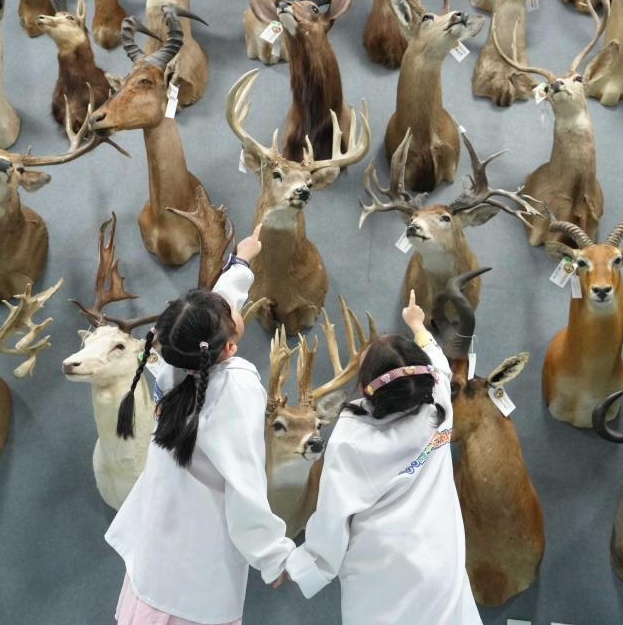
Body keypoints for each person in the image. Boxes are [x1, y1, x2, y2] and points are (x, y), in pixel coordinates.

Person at [105, 226, 293, 625]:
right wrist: (271, 555)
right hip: (193, 576)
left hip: (156, 549)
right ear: (230, 345)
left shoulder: (177, 359)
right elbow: (244, 483)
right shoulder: (236, 390)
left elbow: (211, 311)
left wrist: (242, 262)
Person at [284, 291, 482, 624]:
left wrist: (302, 566)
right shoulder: (439, 407)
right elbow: (440, 365)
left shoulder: (350, 440)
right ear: (423, 379)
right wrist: (417, 325)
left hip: (382, 581)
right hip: (440, 564)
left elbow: (332, 520)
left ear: (365, 388)